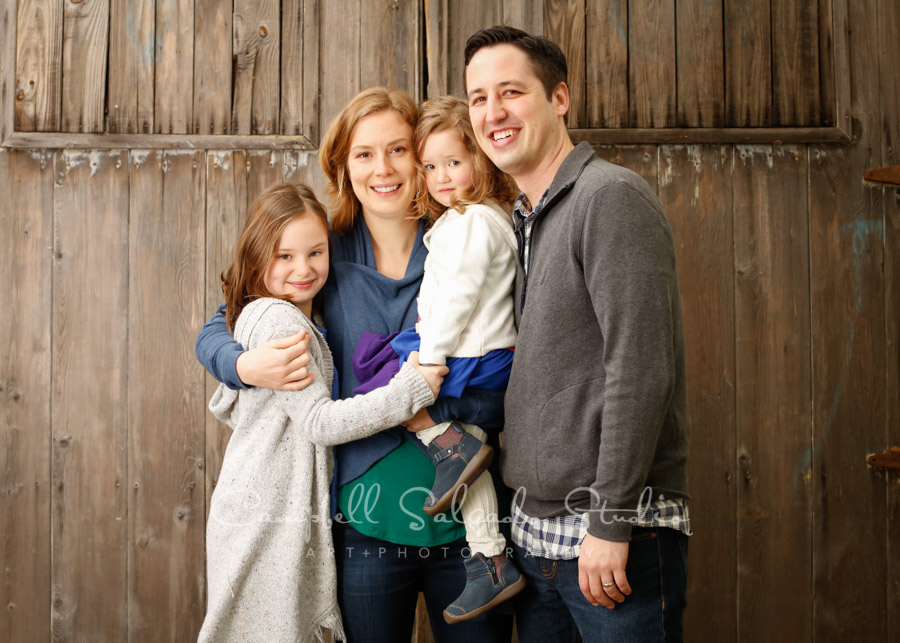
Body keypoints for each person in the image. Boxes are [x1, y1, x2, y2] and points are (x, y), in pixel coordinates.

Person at [195, 88, 514, 642]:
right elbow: (221, 323)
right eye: (364, 154)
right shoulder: (321, 253)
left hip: (471, 524)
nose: (383, 169)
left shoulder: (464, 241)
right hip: (364, 523)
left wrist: (434, 400)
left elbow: (515, 360)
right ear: (343, 165)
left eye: (398, 150)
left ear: (425, 157)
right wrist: (246, 366)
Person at [463, 26, 691, 642]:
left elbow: (641, 368)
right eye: (478, 98)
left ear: (559, 97)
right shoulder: (522, 220)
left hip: (612, 539)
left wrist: (611, 521)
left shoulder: (608, 196)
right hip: (537, 542)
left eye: (511, 91)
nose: (493, 113)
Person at [198, 182, 447, 642]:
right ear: (257, 257)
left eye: (315, 253)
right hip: (266, 513)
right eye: (284, 256)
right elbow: (319, 422)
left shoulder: (298, 315)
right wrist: (409, 390)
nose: (303, 269)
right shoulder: (280, 321)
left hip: (271, 504)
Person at [350, 95, 524, 624]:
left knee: (376, 379)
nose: (441, 177)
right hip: (472, 351)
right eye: (431, 166)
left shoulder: (469, 223)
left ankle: (446, 446)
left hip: (466, 354)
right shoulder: (469, 219)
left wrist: (425, 361)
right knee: (471, 457)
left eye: (453, 162)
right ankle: (490, 558)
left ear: (480, 159)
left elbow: (456, 297)